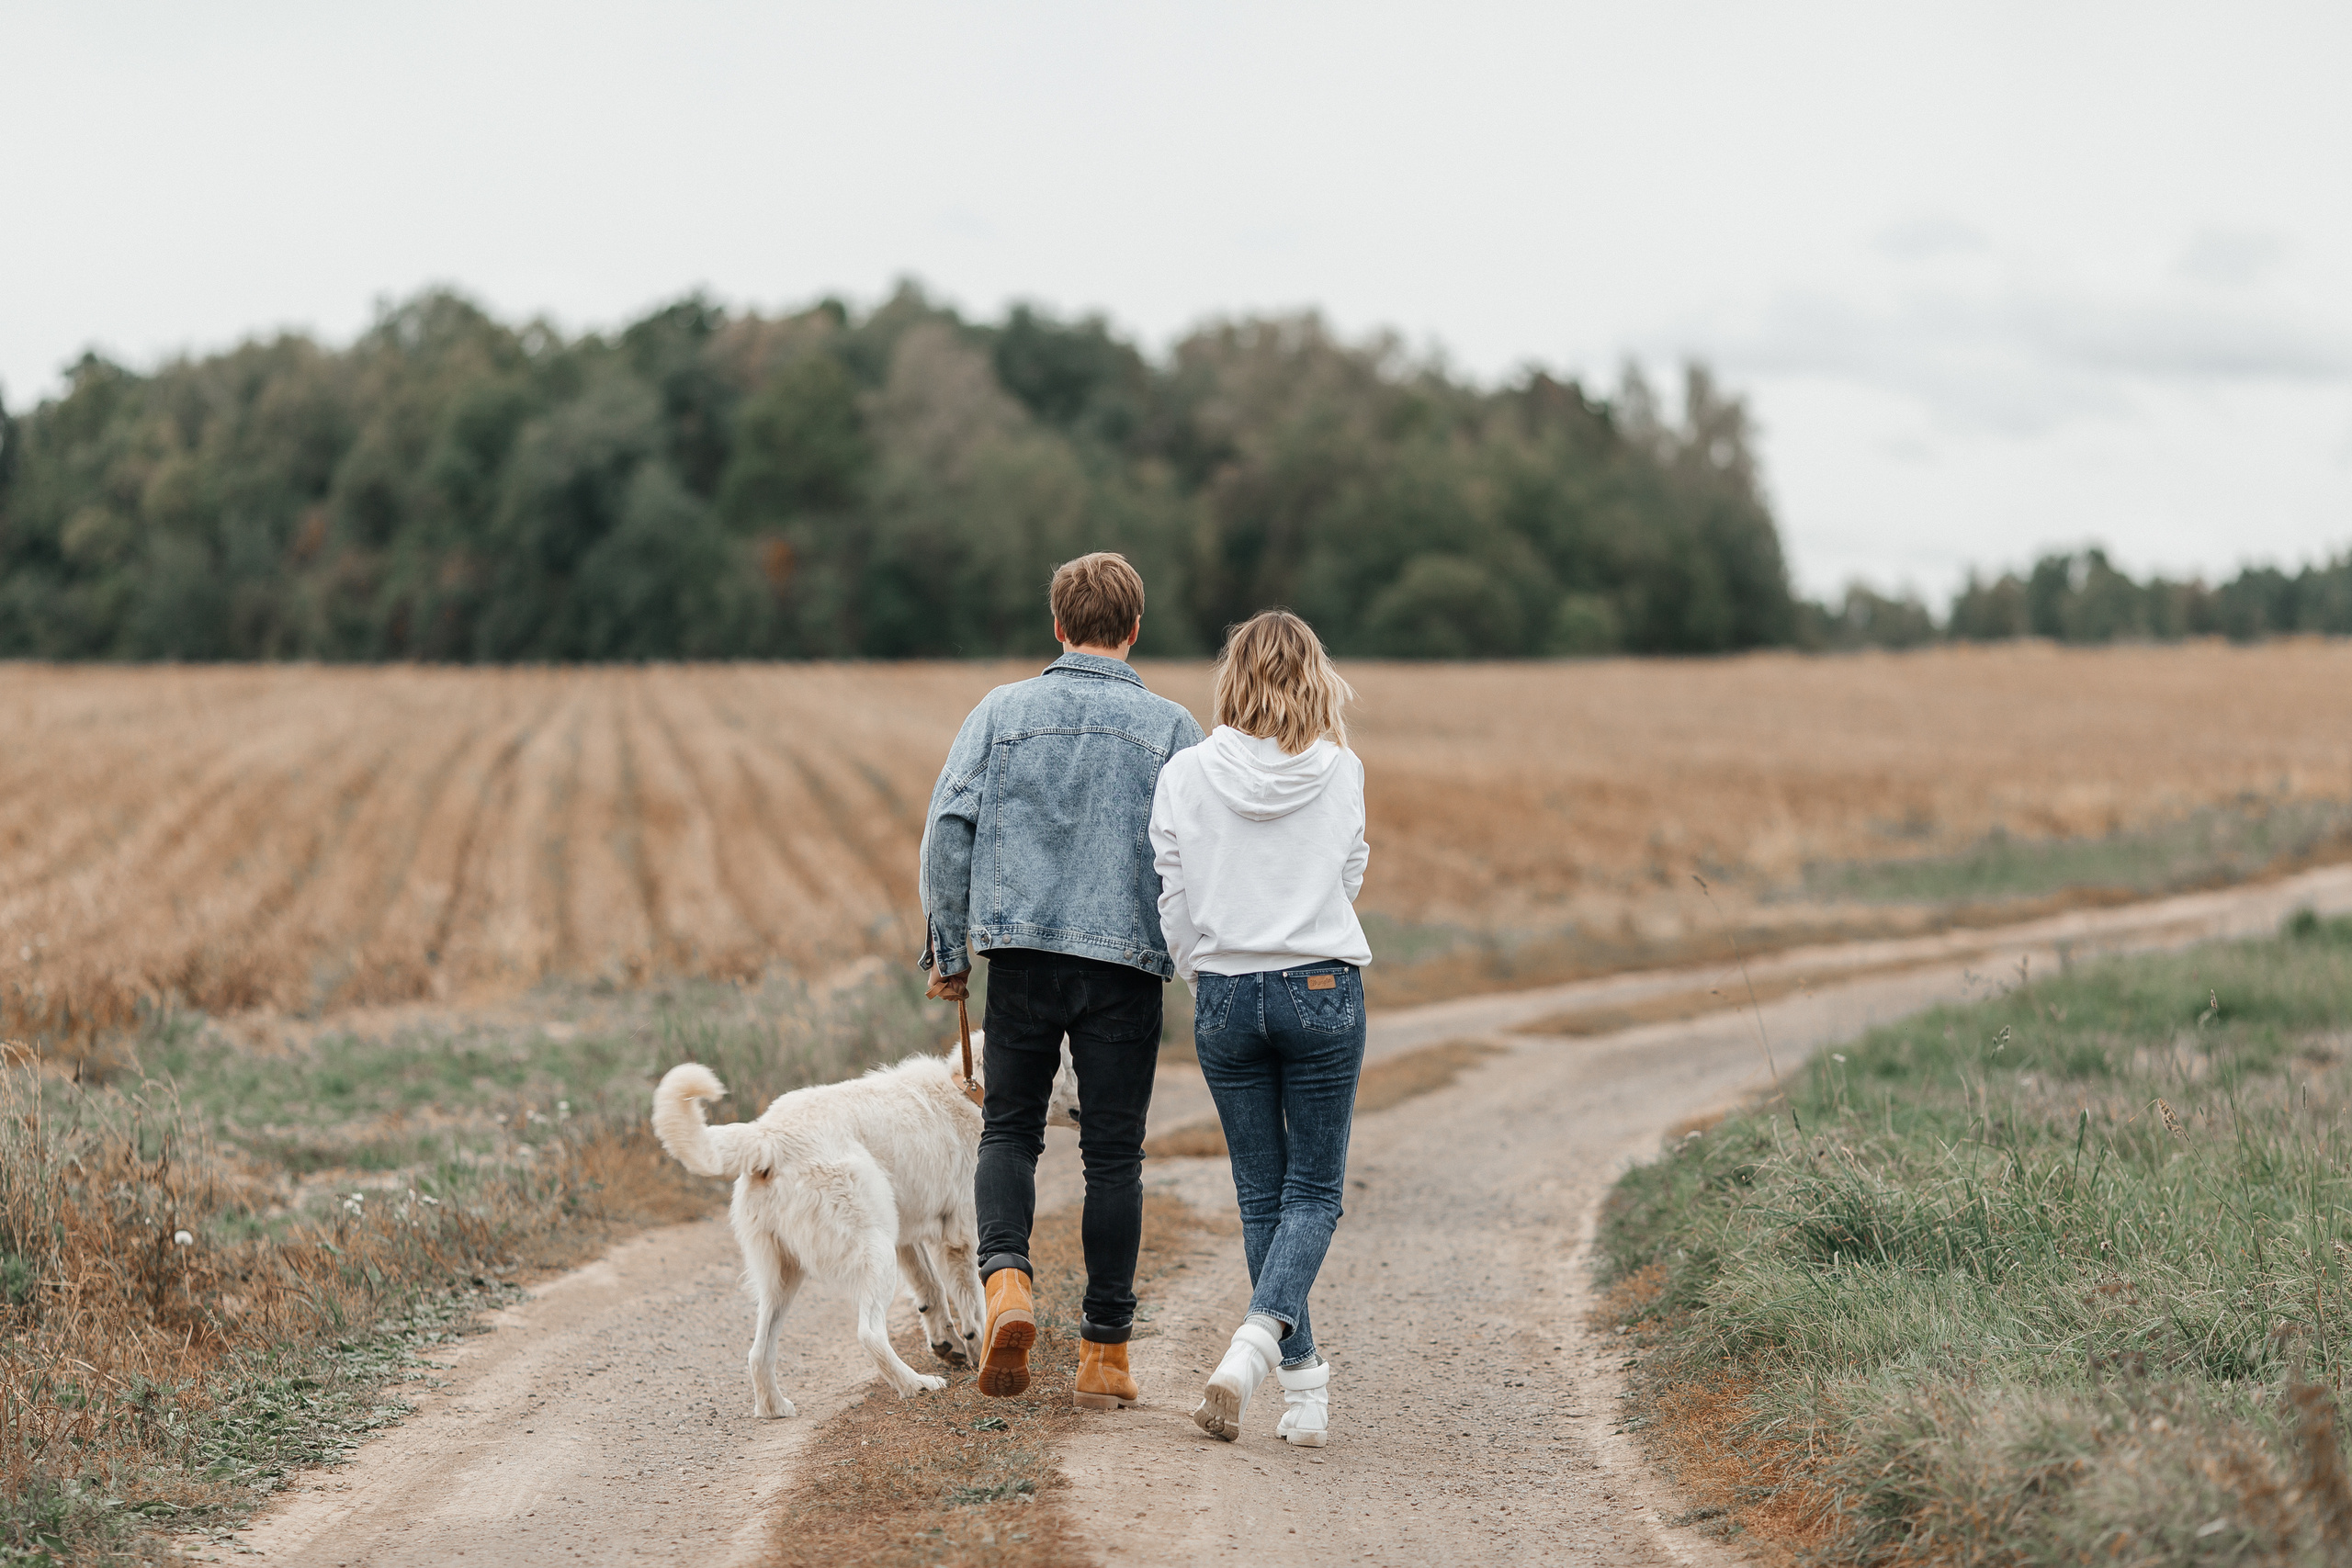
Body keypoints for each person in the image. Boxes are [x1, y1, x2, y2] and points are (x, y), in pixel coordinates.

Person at [919, 552, 1204, 1408]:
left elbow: (946, 828)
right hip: (1125, 968)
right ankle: (1105, 1357)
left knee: (1009, 1131)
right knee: (1114, 1156)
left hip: (1024, 959)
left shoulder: (1001, 711)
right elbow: (1200, 848)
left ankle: (1005, 1282)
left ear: (1057, 625)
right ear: (1135, 627)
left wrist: (950, 952)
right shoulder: (1170, 727)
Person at [1148, 609, 1370, 1448]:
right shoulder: (1341, 768)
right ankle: (1253, 1351)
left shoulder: (1185, 772)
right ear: (1314, 674)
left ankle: (1304, 1392)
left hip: (1227, 991)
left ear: (1231, 675)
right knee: (1311, 1194)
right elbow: (1350, 869)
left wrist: (1200, 967)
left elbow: (1171, 891)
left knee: (1260, 1193)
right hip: (1320, 983)